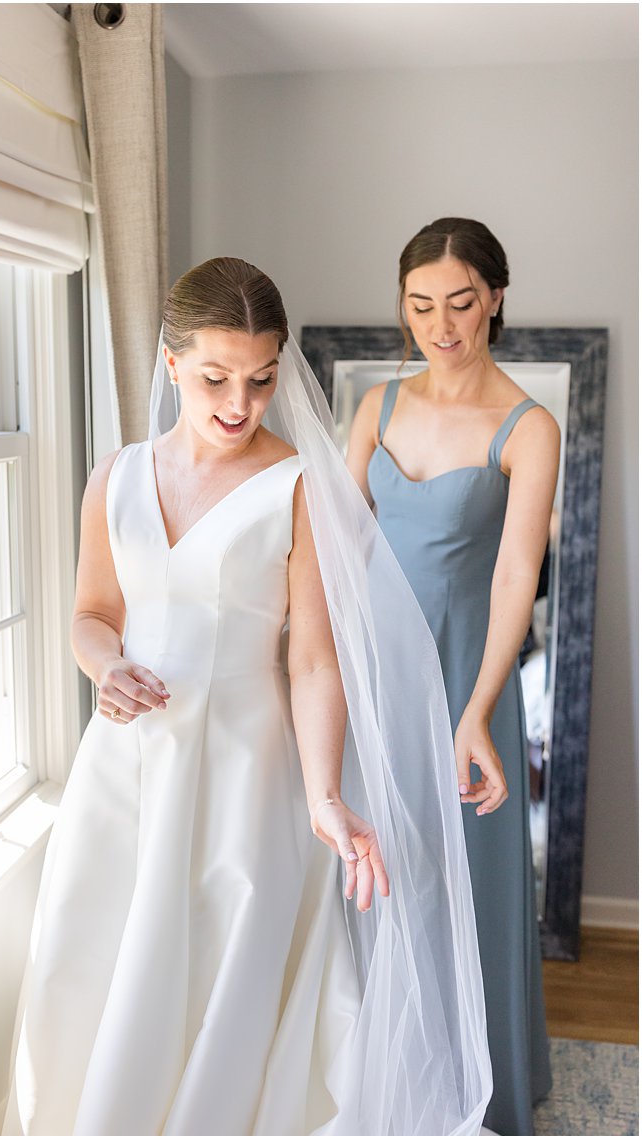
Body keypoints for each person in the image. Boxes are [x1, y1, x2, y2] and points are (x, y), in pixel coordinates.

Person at [3, 257, 490, 1135]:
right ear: (170, 361)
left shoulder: (300, 486)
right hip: (126, 767)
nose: (240, 403)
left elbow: (313, 662)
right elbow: (90, 613)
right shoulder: (113, 478)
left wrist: (325, 796)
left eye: (262, 380)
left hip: (245, 768)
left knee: (225, 971)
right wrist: (104, 667)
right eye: (217, 378)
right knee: (99, 956)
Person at [346, 217, 556, 1135]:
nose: (440, 323)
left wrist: (477, 711)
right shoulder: (376, 408)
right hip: (377, 678)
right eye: (421, 304)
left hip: (472, 680)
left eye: (461, 302)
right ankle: (378, 1070)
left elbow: (517, 572)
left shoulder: (527, 424)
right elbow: (336, 549)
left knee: (468, 882)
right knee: (380, 869)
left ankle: (480, 1084)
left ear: (496, 298)